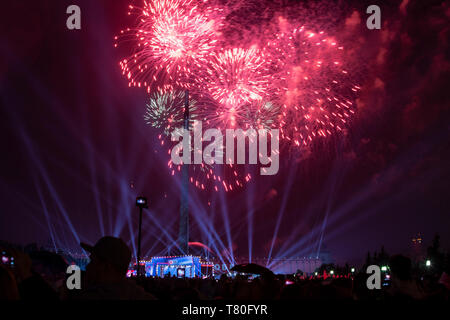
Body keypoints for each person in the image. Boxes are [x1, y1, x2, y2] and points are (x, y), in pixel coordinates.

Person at [74, 236, 156, 300]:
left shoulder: (89, 296)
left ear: (106, 266)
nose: (87, 266)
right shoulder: (139, 294)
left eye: (92, 261)